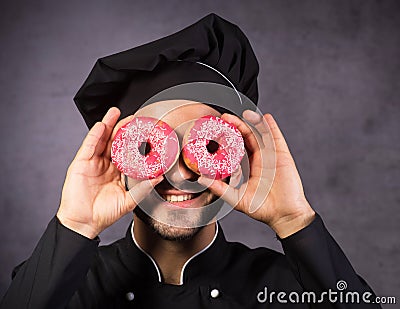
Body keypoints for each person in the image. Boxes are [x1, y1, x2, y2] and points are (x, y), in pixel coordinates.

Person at [0, 13, 381, 308]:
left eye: (204, 144)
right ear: (119, 157)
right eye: (152, 148)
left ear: (236, 154)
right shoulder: (62, 289)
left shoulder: (286, 287)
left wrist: (295, 221)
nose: (181, 173)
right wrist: (75, 224)